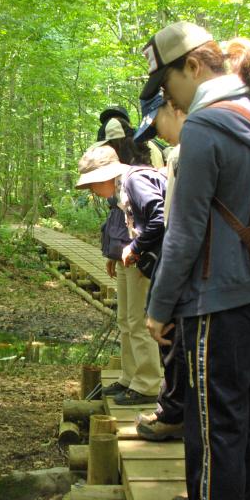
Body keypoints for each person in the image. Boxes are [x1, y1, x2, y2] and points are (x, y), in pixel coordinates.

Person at [140, 22, 250, 500]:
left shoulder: (206, 125)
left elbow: (184, 233)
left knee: (215, 422)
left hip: (220, 300)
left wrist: (159, 309)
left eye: (167, 86)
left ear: (193, 66)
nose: (169, 98)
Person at [77, 118, 165, 406]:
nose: (91, 191)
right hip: (133, 258)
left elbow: (160, 217)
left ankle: (148, 384)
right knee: (126, 319)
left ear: (106, 175)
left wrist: (136, 247)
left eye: (92, 184)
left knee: (139, 321)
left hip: (146, 259)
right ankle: (130, 377)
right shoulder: (121, 186)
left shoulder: (134, 180)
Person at [132, 92, 186, 441]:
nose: (159, 137)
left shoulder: (186, 154)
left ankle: (173, 415)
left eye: (157, 126)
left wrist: (161, 302)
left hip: (202, 283)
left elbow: (177, 229)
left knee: (176, 350)